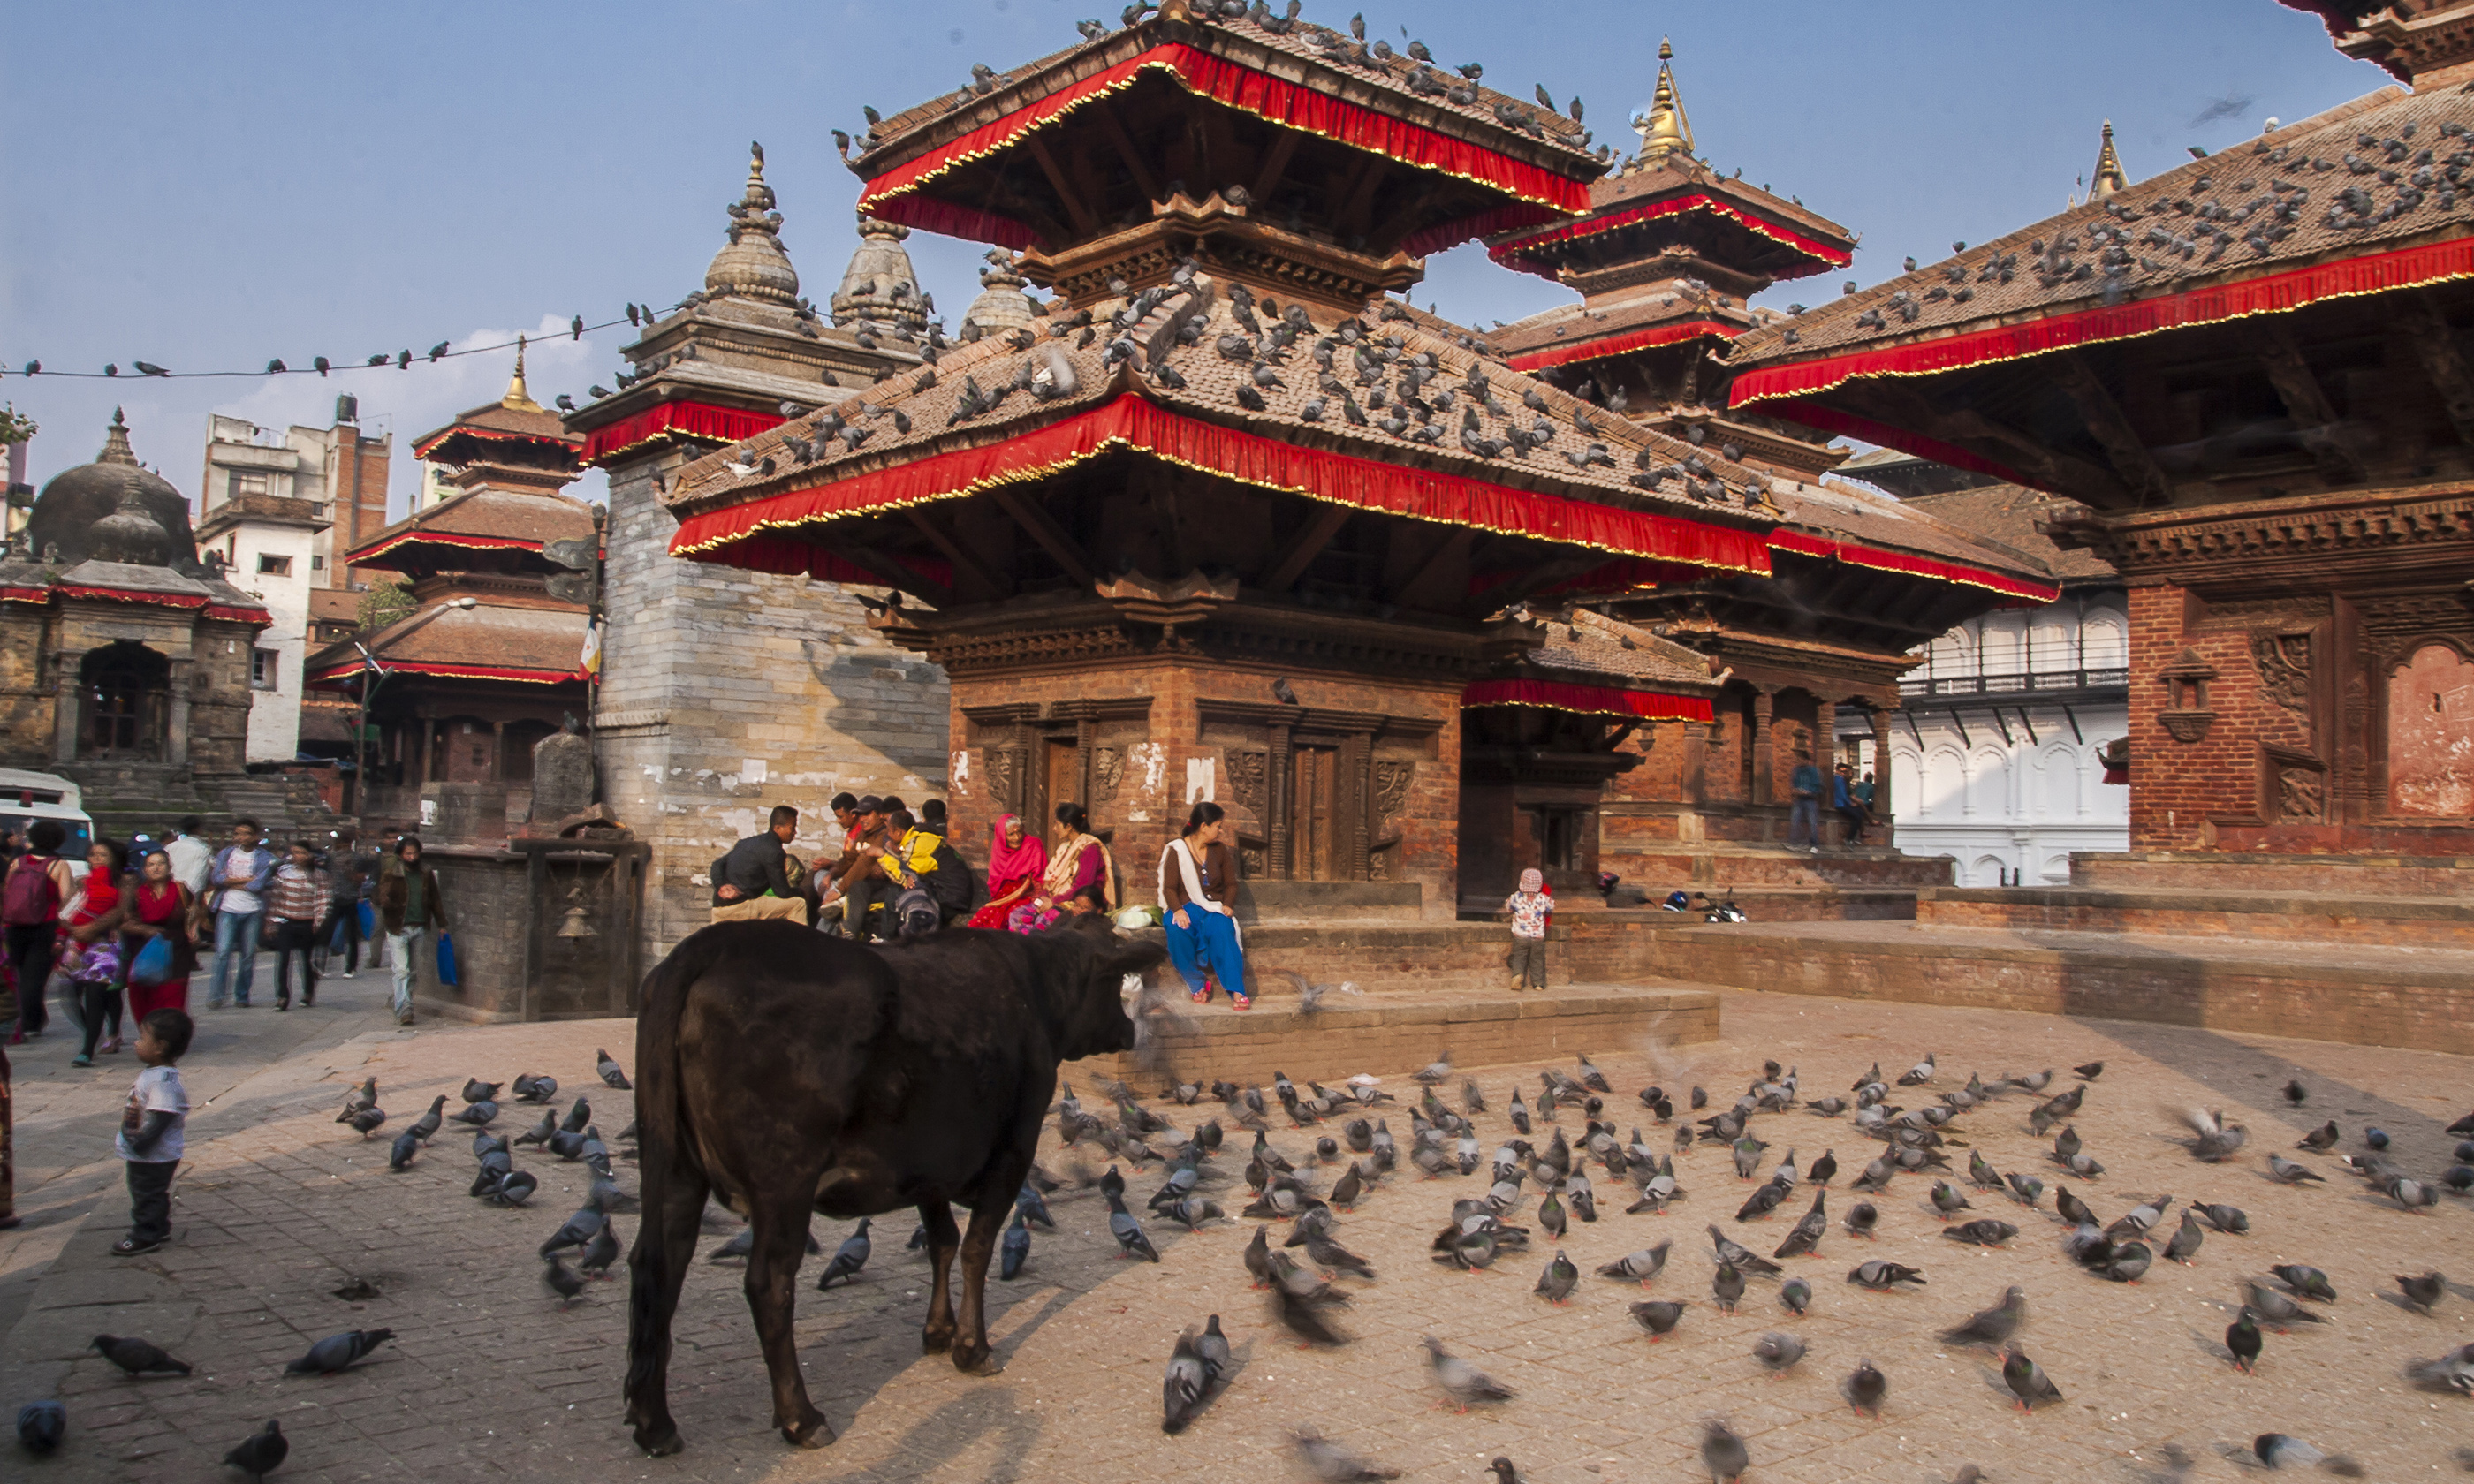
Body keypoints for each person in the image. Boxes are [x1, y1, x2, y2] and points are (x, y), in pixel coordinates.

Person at [111, 1007, 192, 1257]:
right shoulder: (157, 1074)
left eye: (142, 1039)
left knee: (146, 1193)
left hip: (153, 1154)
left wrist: (142, 1141)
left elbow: (162, 1115)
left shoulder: (162, 1082)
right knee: (152, 1191)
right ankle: (159, 1226)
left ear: (159, 1047)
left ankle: (145, 1235)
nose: (136, 1043)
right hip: (151, 1153)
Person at [1159, 801, 1247, 1009]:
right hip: (1185, 906)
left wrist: (1228, 904)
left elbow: (1231, 884)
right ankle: (1197, 984)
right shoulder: (1177, 850)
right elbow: (1169, 888)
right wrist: (1178, 910)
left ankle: (1236, 989)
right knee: (1176, 929)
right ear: (1204, 826)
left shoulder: (1220, 851)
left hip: (1213, 908)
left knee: (1223, 929)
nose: (1221, 829)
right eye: (1218, 825)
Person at [4, 821, 77, 1041]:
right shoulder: (58, 865)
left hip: (14, 927)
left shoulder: (18, 862)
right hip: (45, 928)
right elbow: (67, 899)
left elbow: (7, 892)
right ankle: (30, 1023)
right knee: (34, 979)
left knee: (15, 976)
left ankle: (26, 1019)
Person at [63, 837, 130, 1067]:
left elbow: (119, 912)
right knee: (71, 995)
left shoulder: (123, 882)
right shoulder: (81, 882)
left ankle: (87, 1049)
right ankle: (100, 1029)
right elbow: (65, 910)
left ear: (113, 859)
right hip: (79, 946)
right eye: (93, 855)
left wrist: (92, 927)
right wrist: (74, 930)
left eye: (103, 855)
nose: (97, 859)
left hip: (105, 947)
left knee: (96, 994)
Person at [376, 836, 448, 1026]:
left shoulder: (426, 873)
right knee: (401, 970)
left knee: (413, 971)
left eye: (415, 853)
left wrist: (442, 923)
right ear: (401, 855)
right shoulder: (392, 873)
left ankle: (404, 1000)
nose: (412, 857)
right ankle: (404, 1008)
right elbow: (379, 897)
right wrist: (386, 899)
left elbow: (435, 899)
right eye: (408, 853)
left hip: (419, 926)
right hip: (397, 927)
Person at [119, 848, 196, 1022]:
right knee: (145, 999)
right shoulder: (137, 893)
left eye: (160, 864)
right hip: (145, 951)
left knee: (173, 997)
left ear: (169, 867)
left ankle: (170, 1036)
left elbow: (195, 912)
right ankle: (150, 1035)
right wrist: (147, 930)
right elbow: (124, 922)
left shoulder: (180, 889)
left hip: (177, 952)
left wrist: (194, 931)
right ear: (144, 869)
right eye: (151, 865)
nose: (156, 868)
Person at [203, 820, 274, 1011]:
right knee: (222, 953)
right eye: (238, 833)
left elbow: (258, 885)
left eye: (246, 833)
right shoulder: (227, 854)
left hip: (252, 910)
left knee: (248, 955)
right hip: (228, 907)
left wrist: (231, 881)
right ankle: (216, 995)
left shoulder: (265, 857)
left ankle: (242, 995)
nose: (241, 837)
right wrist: (245, 880)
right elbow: (217, 878)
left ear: (255, 836)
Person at [712, 805, 809, 925]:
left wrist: (720, 886)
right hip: (741, 909)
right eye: (792, 827)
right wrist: (800, 892)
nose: (794, 832)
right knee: (798, 904)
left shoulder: (745, 843)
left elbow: (717, 864)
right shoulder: (775, 851)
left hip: (718, 908)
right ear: (777, 828)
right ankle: (798, 943)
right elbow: (782, 892)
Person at [265, 840, 329, 1012]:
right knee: (283, 960)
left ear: (309, 855)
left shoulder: (318, 875)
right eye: (295, 853)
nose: (298, 857)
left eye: (301, 853)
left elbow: (323, 899)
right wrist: (271, 921)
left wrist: (318, 920)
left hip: (307, 922)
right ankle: (282, 996)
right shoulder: (284, 873)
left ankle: (308, 992)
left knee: (305, 959)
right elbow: (277, 898)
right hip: (287, 920)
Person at [831, 797, 895, 941]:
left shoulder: (884, 834)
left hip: (889, 883)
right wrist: (830, 873)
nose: (862, 819)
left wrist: (839, 889)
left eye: (867, 814)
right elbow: (850, 858)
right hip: (868, 882)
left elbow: (864, 862)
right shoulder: (864, 834)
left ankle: (849, 934)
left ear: (880, 815)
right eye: (860, 815)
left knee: (856, 887)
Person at [968, 814, 1045, 929]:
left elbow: (1037, 879)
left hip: (1026, 894)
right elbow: (996, 878)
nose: (1017, 837)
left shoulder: (1032, 845)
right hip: (1002, 895)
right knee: (981, 919)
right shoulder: (998, 847)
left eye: (1019, 832)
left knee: (1003, 918)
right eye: (1011, 834)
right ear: (1002, 836)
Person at [315, 829, 368, 980]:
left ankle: (320, 965)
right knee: (351, 936)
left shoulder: (331, 858)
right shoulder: (358, 858)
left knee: (327, 934)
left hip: (334, 898)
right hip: (350, 898)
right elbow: (361, 879)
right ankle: (350, 968)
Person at [1042, 803, 1115, 912]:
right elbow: (1050, 879)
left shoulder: (1090, 849)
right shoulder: (1064, 848)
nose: (1054, 829)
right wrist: (1044, 896)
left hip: (1079, 905)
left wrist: (1054, 901)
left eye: (1057, 824)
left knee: (1040, 922)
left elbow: (1083, 887)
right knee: (1019, 915)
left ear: (1069, 826)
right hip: (1056, 900)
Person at [1504, 867, 1552, 992]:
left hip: (1520, 936)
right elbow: (1551, 907)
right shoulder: (1543, 898)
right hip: (1537, 937)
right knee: (1537, 960)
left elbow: (1508, 907)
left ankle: (1517, 976)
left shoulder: (1516, 897)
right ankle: (1538, 984)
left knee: (1519, 957)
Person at [162, 816, 211, 897]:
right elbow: (200, 874)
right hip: (189, 893)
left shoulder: (169, 847)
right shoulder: (203, 849)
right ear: (197, 829)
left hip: (168, 891)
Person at [1787, 751, 1824, 852]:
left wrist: (1808, 792)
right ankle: (1794, 843)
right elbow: (1793, 783)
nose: (1798, 761)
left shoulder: (1814, 771)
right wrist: (1795, 791)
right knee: (1795, 821)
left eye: (1800, 759)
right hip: (1799, 799)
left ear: (1807, 760)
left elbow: (1819, 786)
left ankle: (1814, 845)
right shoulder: (1796, 770)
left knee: (1812, 822)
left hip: (1810, 800)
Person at [1832, 762, 1869, 848]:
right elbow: (1842, 794)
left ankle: (1855, 835)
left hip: (1842, 803)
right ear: (1837, 771)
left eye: (1845, 772)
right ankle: (1849, 838)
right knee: (1857, 816)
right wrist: (1850, 803)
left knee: (1859, 813)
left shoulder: (1841, 780)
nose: (1843, 773)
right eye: (1842, 771)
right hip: (1840, 804)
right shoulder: (1838, 779)